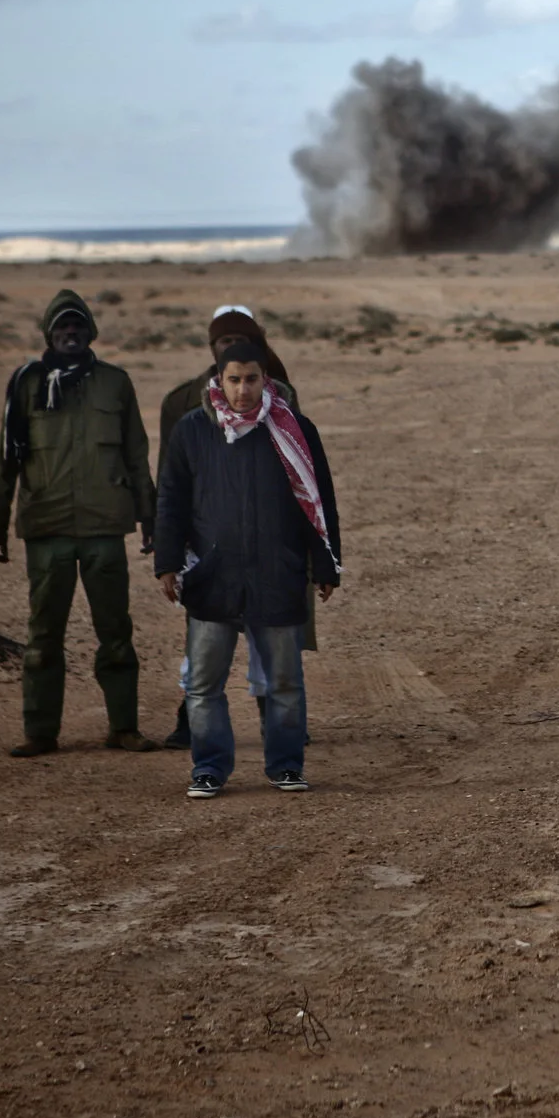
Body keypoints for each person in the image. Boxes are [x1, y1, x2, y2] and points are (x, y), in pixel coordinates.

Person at [0, 288, 161, 757]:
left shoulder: (115, 383)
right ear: (49, 334)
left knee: (115, 632)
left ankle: (123, 727)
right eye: (62, 326)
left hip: (104, 527)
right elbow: (6, 456)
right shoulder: (28, 384)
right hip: (48, 526)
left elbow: (136, 453)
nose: (71, 333)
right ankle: (40, 732)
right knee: (43, 635)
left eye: (78, 325)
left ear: (90, 332)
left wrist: (149, 515)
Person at [153, 339, 341, 799]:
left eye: (251, 379)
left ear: (265, 379)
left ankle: (286, 765)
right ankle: (209, 768)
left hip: (277, 573)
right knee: (203, 685)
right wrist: (167, 562)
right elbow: (171, 500)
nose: (242, 390)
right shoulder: (193, 430)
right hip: (213, 576)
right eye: (233, 380)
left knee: (284, 682)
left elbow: (318, 498)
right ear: (218, 379)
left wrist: (325, 563)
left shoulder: (294, 428)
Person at [156, 306, 306, 752]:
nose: (233, 348)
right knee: (205, 641)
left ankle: (276, 724)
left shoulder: (282, 399)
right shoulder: (182, 402)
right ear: (212, 350)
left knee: (271, 641)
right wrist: (168, 545)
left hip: (270, 543)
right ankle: (191, 722)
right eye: (224, 342)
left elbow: (301, 474)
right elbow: (171, 479)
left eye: (243, 341)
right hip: (208, 539)